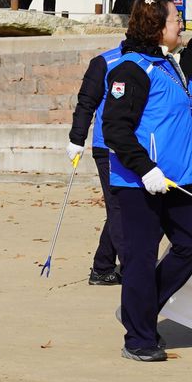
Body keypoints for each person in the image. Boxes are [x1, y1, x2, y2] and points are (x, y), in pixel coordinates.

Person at [101, 0, 192, 362]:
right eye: (175, 19)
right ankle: (138, 338)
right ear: (157, 26)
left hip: (179, 181)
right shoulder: (130, 69)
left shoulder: (171, 66)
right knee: (139, 258)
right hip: (140, 184)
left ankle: (142, 308)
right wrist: (145, 167)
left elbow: (183, 118)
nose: (181, 24)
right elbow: (115, 128)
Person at [65, 35, 127, 286]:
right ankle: (133, 267)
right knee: (119, 208)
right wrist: (76, 139)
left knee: (125, 209)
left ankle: (102, 267)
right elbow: (86, 103)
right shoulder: (105, 62)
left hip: (142, 148)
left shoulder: (157, 62)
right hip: (109, 148)